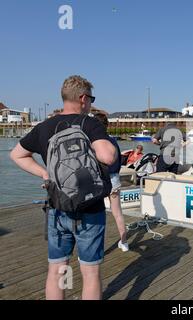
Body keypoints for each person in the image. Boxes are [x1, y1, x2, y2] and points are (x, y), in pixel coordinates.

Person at [10, 75, 116, 300]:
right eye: (91, 99)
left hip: (58, 208)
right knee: (90, 273)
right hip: (90, 209)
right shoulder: (90, 123)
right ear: (83, 98)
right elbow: (107, 157)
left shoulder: (44, 127)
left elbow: (17, 155)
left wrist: (44, 172)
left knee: (59, 269)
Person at [93, 113, 129, 252]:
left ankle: (94, 248)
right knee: (118, 213)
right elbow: (119, 160)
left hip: (98, 179)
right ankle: (124, 242)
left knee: (95, 215)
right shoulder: (113, 141)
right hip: (114, 178)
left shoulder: (94, 142)